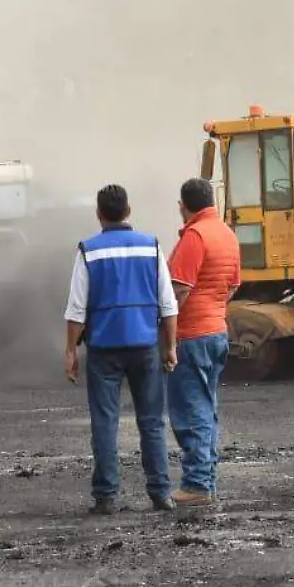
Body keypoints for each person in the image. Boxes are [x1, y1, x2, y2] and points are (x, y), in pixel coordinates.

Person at [64, 184, 180, 515]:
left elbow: (76, 309)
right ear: (128, 211)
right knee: (152, 422)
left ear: (99, 214)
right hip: (145, 347)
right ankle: (161, 494)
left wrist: (70, 353)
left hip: (103, 350)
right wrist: (170, 347)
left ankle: (106, 497)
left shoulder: (88, 251)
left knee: (105, 422)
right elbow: (168, 305)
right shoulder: (152, 246)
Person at [165, 177, 242, 508]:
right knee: (207, 408)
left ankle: (196, 484)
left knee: (191, 408)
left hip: (192, 335)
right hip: (217, 332)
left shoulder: (194, 236)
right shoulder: (226, 234)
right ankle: (205, 480)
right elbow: (233, 285)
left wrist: (164, 332)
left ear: (184, 206)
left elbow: (178, 290)